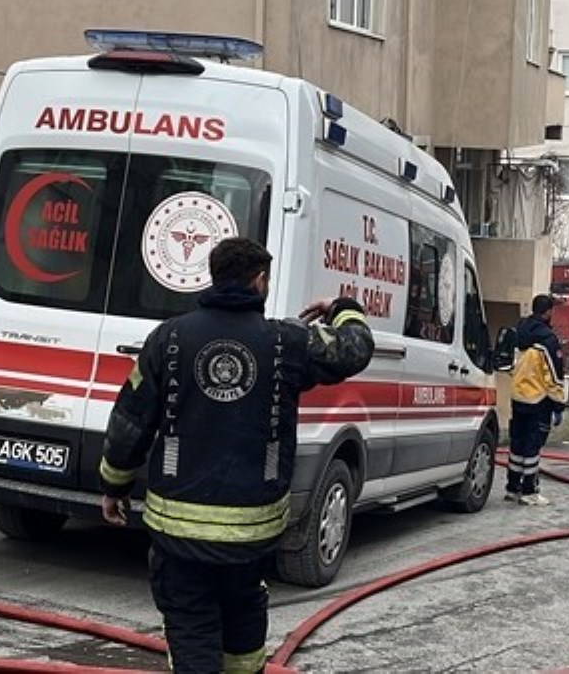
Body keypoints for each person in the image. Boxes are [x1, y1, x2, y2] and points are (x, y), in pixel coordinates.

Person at [97, 237, 374, 674]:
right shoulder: (287, 342)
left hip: (179, 533)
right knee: (244, 631)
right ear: (259, 279)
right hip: (251, 534)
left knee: (190, 628)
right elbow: (355, 348)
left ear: (214, 275)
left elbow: (130, 421)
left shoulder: (168, 338)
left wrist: (114, 485)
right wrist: (341, 306)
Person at [505, 294, 566, 506]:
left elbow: (507, 363)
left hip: (517, 396)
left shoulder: (518, 331)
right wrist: (558, 405)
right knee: (532, 447)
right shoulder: (548, 340)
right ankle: (529, 491)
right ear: (548, 312)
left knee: (517, 444)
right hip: (538, 400)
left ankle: (512, 488)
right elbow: (554, 377)